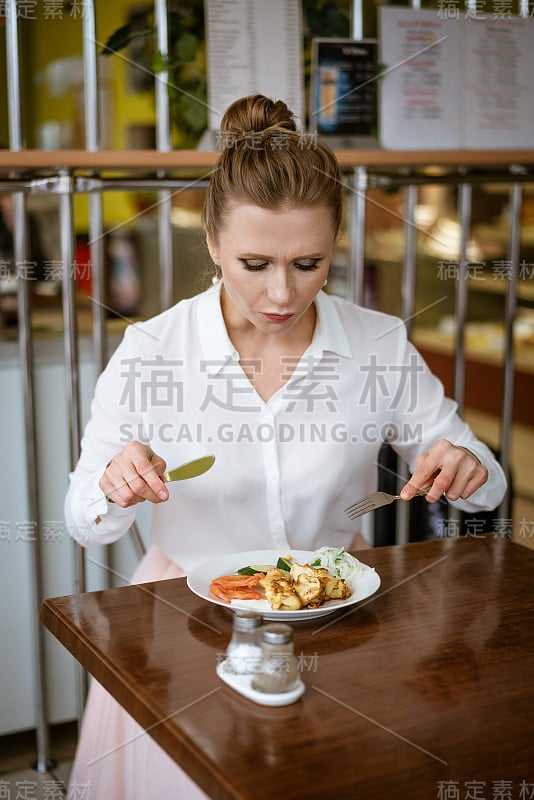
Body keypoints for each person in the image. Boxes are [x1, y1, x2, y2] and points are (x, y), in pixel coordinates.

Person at [64, 94, 506, 799]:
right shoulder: (152, 349)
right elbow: (83, 518)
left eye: (308, 264)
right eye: (254, 262)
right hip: (186, 619)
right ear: (212, 243)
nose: (281, 292)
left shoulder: (378, 341)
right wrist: (116, 482)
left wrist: (466, 465)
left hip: (344, 617)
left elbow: (486, 483)